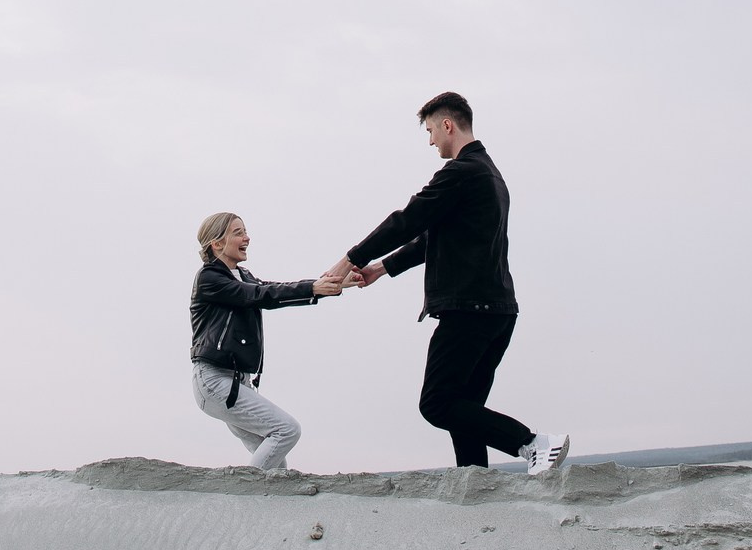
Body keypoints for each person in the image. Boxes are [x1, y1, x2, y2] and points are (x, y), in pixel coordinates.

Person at [327, 92, 568, 476]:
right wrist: (380, 269)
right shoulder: (491, 175)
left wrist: (350, 260)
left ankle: (532, 443)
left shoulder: (461, 173)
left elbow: (408, 220)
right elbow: (430, 238)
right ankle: (476, 487)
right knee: (464, 411)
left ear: (447, 125)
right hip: (497, 311)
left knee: (437, 403)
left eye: (430, 131)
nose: (430, 141)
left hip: (470, 310)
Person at [190, 211, 346, 473]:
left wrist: (330, 286)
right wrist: (314, 288)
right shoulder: (210, 278)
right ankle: (245, 499)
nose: (247, 238)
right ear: (217, 244)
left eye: (245, 231)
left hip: (238, 381)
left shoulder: (243, 275)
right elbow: (261, 295)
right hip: (214, 380)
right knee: (287, 430)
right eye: (238, 233)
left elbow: (273, 288)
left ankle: (262, 506)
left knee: (276, 464)